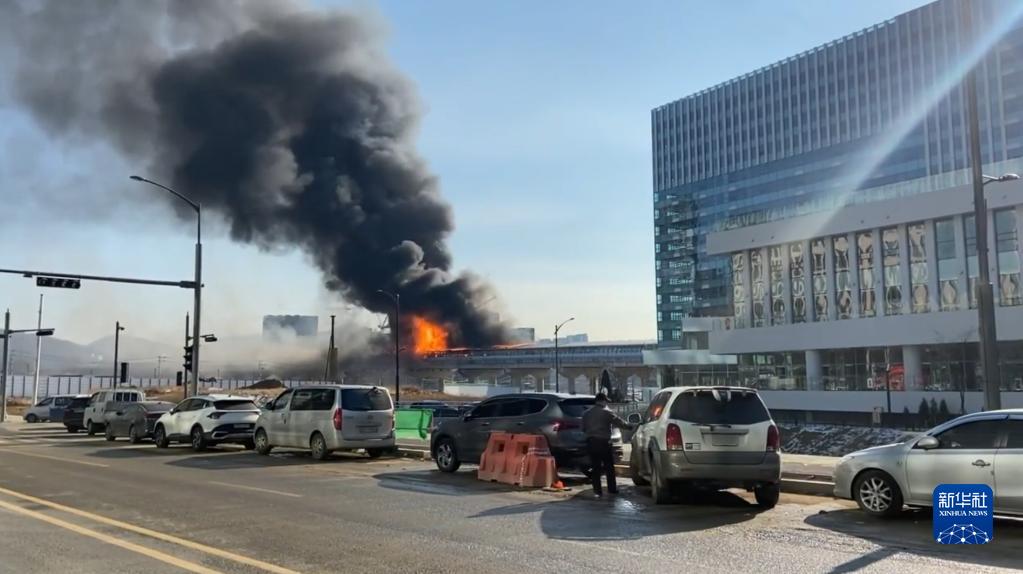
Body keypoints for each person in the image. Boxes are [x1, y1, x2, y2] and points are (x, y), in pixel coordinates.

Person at [581, 392, 634, 498]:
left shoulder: (586, 413)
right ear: (603, 401)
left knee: (595, 467)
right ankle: (612, 489)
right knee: (609, 466)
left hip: (591, 442)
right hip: (603, 443)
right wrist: (630, 426)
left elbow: (583, 429)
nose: (606, 403)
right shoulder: (607, 412)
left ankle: (597, 491)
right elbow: (620, 423)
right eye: (606, 401)